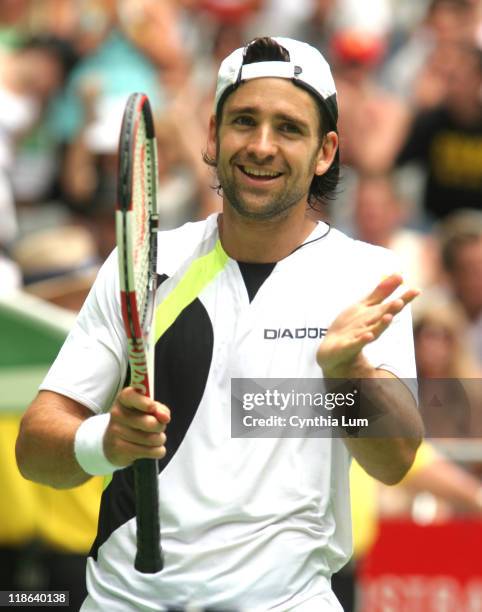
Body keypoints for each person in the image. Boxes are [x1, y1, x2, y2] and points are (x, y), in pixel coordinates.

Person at [16, 37, 423, 611]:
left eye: (288, 128)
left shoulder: (369, 276)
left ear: (325, 151)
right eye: (244, 121)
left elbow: (396, 461)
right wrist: (104, 441)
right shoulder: (145, 263)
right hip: (126, 600)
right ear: (212, 134)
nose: (261, 146)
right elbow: (35, 449)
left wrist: (347, 373)